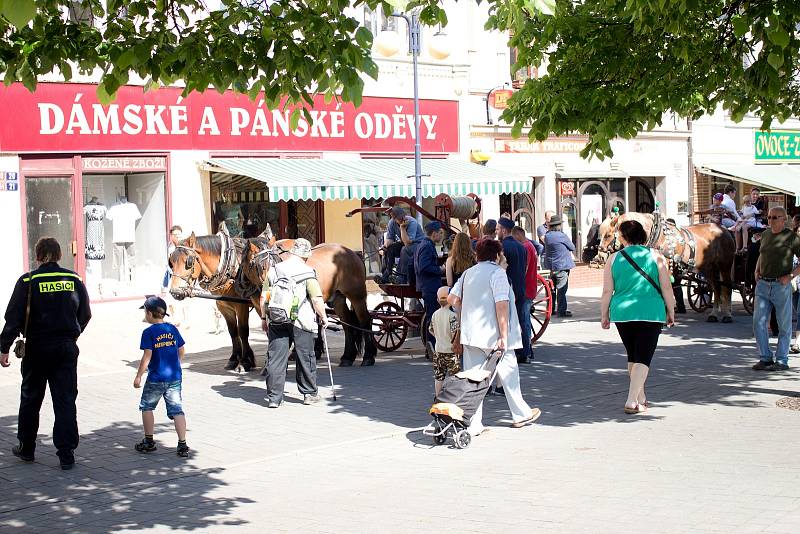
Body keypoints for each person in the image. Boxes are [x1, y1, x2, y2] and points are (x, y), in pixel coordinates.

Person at [0, 237, 91, 470]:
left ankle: (27, 447)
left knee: (31, 399)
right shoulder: (73, 279)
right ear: (59, 255)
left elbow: (13, 318)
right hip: (65, 348)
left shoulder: (28, 281)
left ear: (38, 255)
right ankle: (66, 454)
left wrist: (4, 348)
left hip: (37, 348)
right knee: (65, 400)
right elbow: (86, 313)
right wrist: (73, 334)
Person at [448, 238, 541, 435]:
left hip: (471, 335)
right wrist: (504, 334)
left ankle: (472, 423)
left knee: (474, 378)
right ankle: (520, 413)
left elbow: (452, 299)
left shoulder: (467, 274)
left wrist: (464, 312)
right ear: (497, 255)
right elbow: (502, 305)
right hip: (495, 336)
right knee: (509, 373)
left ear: (477, 255)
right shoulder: (498, 274)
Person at [600, 221, 675, 414]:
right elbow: (666, 287)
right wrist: (671, 310)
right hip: (651, 311)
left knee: (633, 354)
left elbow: (608, 290)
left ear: (624, 237)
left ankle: (641, 397)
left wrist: (604, 315)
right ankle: (631, 400)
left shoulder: (614, 258)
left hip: (622, 312)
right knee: (643, 356)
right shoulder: (656, 256)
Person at [261, 238, 329, 407]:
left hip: (277, 319)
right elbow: (316, 299)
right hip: (301, 321)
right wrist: (323, 317)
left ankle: (274, 398)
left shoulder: (274, 270)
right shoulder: (308, 271)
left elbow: (264, 297)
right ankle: (309, 394)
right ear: (305, 255)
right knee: (305, 356)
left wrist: (264, 317)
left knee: (276, 359)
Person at [133, 296, 190, 457]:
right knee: (177, 410)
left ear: (149, 313)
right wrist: (176, 363)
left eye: (145, 311)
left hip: (156, 378)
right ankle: (182, 444)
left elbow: (147, 357)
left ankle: (149, 441)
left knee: (147, 407)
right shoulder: (172, 329)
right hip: (174, 377)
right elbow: (181, 350)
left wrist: (138, 376)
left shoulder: (148, 332)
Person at [752, 207, 800, 372]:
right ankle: (765, 358)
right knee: (758, 322)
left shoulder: (791, 237)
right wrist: (757, 270)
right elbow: (761, 254)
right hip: (763, 284)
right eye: (769, 217)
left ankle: (781, 360)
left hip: (781, 285)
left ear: (784, 219)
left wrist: (791, 276)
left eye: (774, 218)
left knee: (784, 325)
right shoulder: (765, 234)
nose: (770, 220)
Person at [498, 218, 529, 364]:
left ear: (504, 230)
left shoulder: (502, 247)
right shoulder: (521, 246)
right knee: (521, 320)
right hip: (521, 287)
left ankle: (511, 350)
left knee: (508, 320)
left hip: (508, 289)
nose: (497, 232)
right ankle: (524, 352)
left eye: (498, 229)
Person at [414, 221, 446, 354]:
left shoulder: (424, 245)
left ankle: (431, 348)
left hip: (427, 285)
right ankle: (431, 348)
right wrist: (440, 269)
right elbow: (424, 267)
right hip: (430, 286)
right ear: (434, 234)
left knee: (431, 318)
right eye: (440, 233)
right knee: (432, 318)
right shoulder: (427, 246)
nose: (441, 235)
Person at [513, 226, 538, 362]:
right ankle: (528, 349)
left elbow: (524, 268)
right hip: (530, 286)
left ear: (518, 235)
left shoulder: (526, 248)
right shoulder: (531, 246)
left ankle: (526, 351)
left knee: (524, 320)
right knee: (525, 320)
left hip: (526, 288)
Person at [428, 286, 460, 397]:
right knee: (454, 376)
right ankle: (453, 397)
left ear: (437, 300)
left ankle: (437, 397)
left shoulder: (435, 314)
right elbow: (454, 333)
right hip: (450, 351)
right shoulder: (453, 316)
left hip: (438, 350)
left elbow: (430, 330)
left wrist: (438, 336)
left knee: (438, 376)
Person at [382, 206, 426, 284]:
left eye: (402, 216)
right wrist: (385, 246)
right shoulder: (391, 223)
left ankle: (401, 277)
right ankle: (387, 274)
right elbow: (389, 239)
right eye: (399, 218)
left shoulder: (412, 222)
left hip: (419, 245)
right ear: (394, 218)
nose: (402, 219)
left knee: (405, 249)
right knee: (390, 249)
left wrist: (402, 228)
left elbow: (407, 242)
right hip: (406, 243)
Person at [543, 215, 576, 317]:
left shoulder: (547, 236)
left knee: (551, 290)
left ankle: (551, 310)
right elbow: (572, 247)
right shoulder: (562, 236)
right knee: (561, 289)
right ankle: (561, 311)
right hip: (562, 266)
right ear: (559, 225)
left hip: (552, 267)